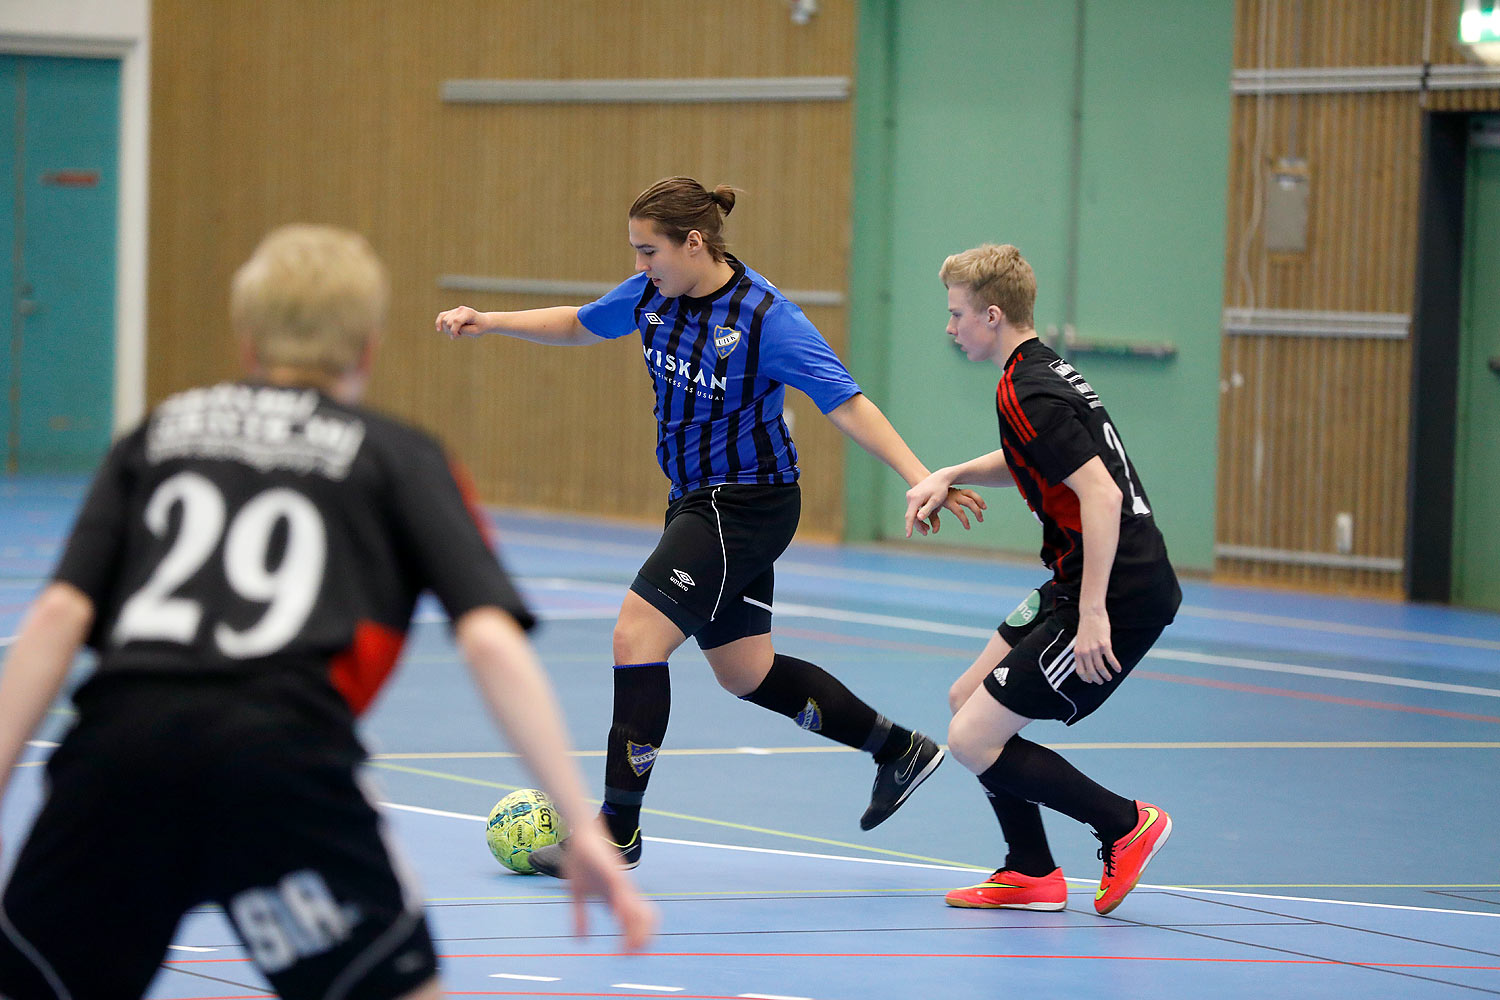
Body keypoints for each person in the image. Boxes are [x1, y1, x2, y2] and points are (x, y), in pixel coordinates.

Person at [0, 225, 654, 1000]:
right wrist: (584, 825)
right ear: (368, 347)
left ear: (246, 341)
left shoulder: (157, 436)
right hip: (282, 769)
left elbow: (55, 621)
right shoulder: (399, 457)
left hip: (115, 764)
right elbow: (489, 643)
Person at [436, 176, 984, 876]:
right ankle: (897, 750)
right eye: (635, 253)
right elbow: (581, 322)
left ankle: (616, 833)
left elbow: (844, 401)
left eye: (648, 251)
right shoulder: (651, 297)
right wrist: (491, 319)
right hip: (699, 499)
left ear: (694, 243)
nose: (640, 266)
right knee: (745, 672)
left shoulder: (766, 318)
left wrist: (920, 474)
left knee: (635, 634)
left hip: (745, 503)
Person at [904, 243, 1180, 915]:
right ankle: (1030, 869)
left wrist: (1093, 614)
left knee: (973, 737)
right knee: (966, 696)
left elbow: (1102, 497)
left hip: (1118, 590)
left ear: (991, 315)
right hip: (1079, 576)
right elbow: (1034, 457)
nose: (950, 328)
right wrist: (952, 473)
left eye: (956, 314)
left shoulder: (1029, 385)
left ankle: (1125, 824)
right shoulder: (1038, 371)